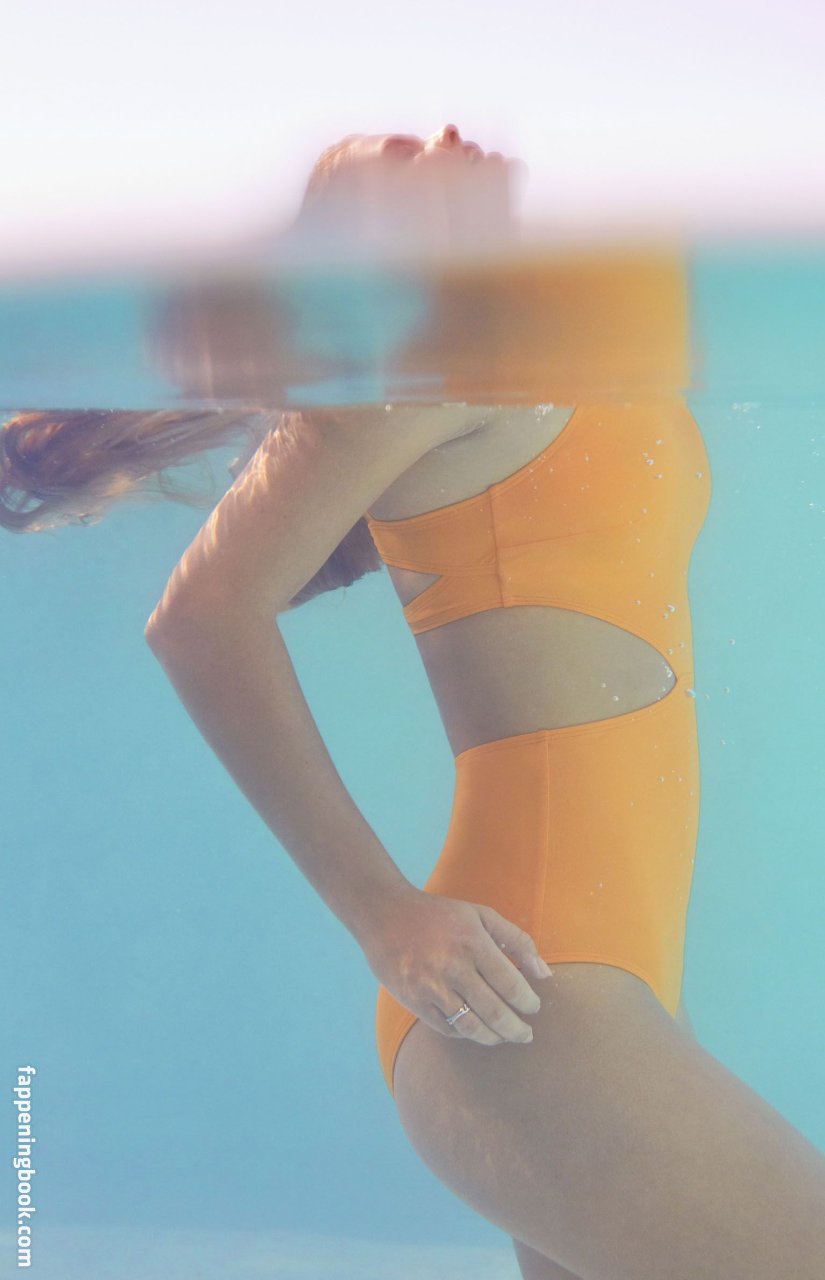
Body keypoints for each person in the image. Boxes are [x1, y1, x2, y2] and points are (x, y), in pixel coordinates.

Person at [3, 125, 824, 1280]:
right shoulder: (413, 377)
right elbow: (196, 620)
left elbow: (391, 543)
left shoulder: (504, 357)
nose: (447, 131)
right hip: (530, 992)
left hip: (595, 990)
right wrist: (385, 918)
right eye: (398, 142)